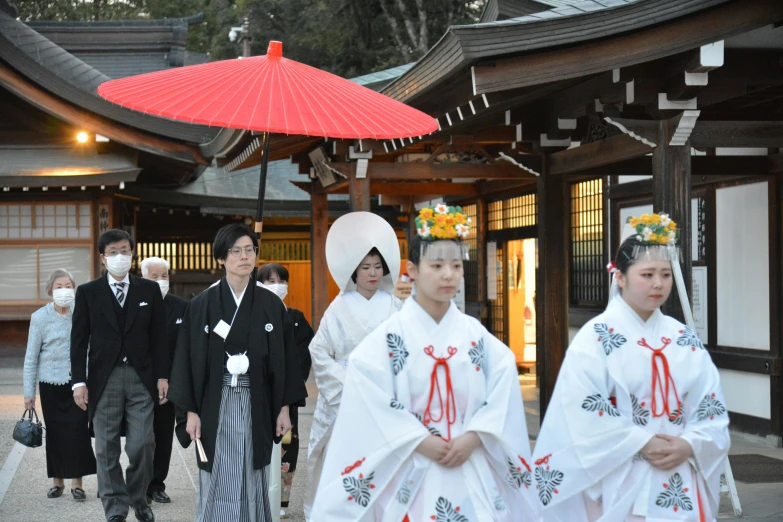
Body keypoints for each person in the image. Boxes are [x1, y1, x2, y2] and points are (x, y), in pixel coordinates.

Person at [312, 205, 538, 521]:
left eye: (456, 265)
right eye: (436, 264)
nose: (448, 274)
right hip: (406, 466)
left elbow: (502, 390)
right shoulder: (386, 340)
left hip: (467, 464)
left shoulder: (477, 338)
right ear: (412, 271)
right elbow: (368, 399)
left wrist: (474, 436)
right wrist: (418, 439)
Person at [532, 212, 730, 522]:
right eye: (647, 274)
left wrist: (690, 443)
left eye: (665, 274)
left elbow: (710, 404)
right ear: (620, 277)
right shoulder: (597, 337)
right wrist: (641, 442)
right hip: (619, 471)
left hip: (678, 471)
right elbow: (580, 406)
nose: (658, 284)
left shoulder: (682, 337)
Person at [167, 223, 307, 522]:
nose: (245, 257)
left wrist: (285, 408)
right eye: (236, 251)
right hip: (214, 402)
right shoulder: (202, 304)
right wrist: (190, 411)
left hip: (257, 400)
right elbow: (186, 361)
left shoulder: (271, 305)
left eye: (250, 250)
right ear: (221, 258)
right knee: (217, 467)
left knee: (251, 468)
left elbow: (285, 361)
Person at [304, 211, 403, 519]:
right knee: (343, 460)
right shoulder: (338, 309)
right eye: (365, 268)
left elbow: (406, 351)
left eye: (377, 267)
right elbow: (319, 350)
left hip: (384, 396)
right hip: (345, 398)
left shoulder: (396, 307)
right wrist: (350, 382)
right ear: (354, 272)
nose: (372, 273)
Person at [71, 229, 168, 522]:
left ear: (133, 255)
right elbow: (78, 340)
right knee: (105, 446)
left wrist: (163, 376)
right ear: (103, 258)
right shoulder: (88, 292)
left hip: (142, 377)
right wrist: (79, 381)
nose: (119, 257)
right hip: (104, 378)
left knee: (142, 443)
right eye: (112, 252)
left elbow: (159, 338)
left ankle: (138, 498)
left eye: (125, 251)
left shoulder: (148, 290)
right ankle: (115, 507)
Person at [24, 268, 96, 501]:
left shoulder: (82, 313)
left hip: (78, 384)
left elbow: (91, 348)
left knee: (78, 432)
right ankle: (57, 481)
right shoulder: (39, 318)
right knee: (54, 433)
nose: (64, 290)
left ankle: (78, 483)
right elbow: (31, 357)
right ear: (49, 291)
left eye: (68, 286)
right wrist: (28, 392)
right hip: (50, 384)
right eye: (59, 286)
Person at [258, 263, 314, 519]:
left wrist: (286, 382)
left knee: (287, 447)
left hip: (287, 397)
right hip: (257, 394)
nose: (276, 285)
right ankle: (256, 497)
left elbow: (303, 354)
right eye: (269, 281)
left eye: (280, 280)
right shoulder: (253, 314)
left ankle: (281, 500)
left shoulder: (296, 318)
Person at [141, 256, 188, 505]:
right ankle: (136, 482)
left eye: (164, 276)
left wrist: (175, 382)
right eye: (155, 276)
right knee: (139, 438)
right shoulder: (135, 304)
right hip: (138, 383)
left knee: (162, 436)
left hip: (169, 385)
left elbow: (185, 348)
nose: (161, 281)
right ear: (143, 278)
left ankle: (157, 484)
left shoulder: (181, 306)